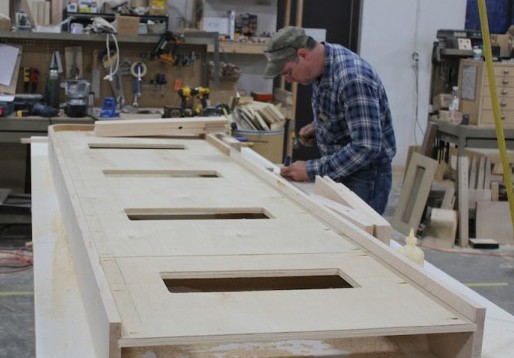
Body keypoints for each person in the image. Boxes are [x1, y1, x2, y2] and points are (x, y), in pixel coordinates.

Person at [263, 26, 396, 215]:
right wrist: (320, 127)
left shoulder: (352, 78)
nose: (289, 80)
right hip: (341, 170)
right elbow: (348, 114)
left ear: (302, 54)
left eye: (288, 72)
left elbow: (366, 146)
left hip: (364, 177)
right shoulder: (322, 68)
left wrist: (310, 170)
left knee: (357, 240)